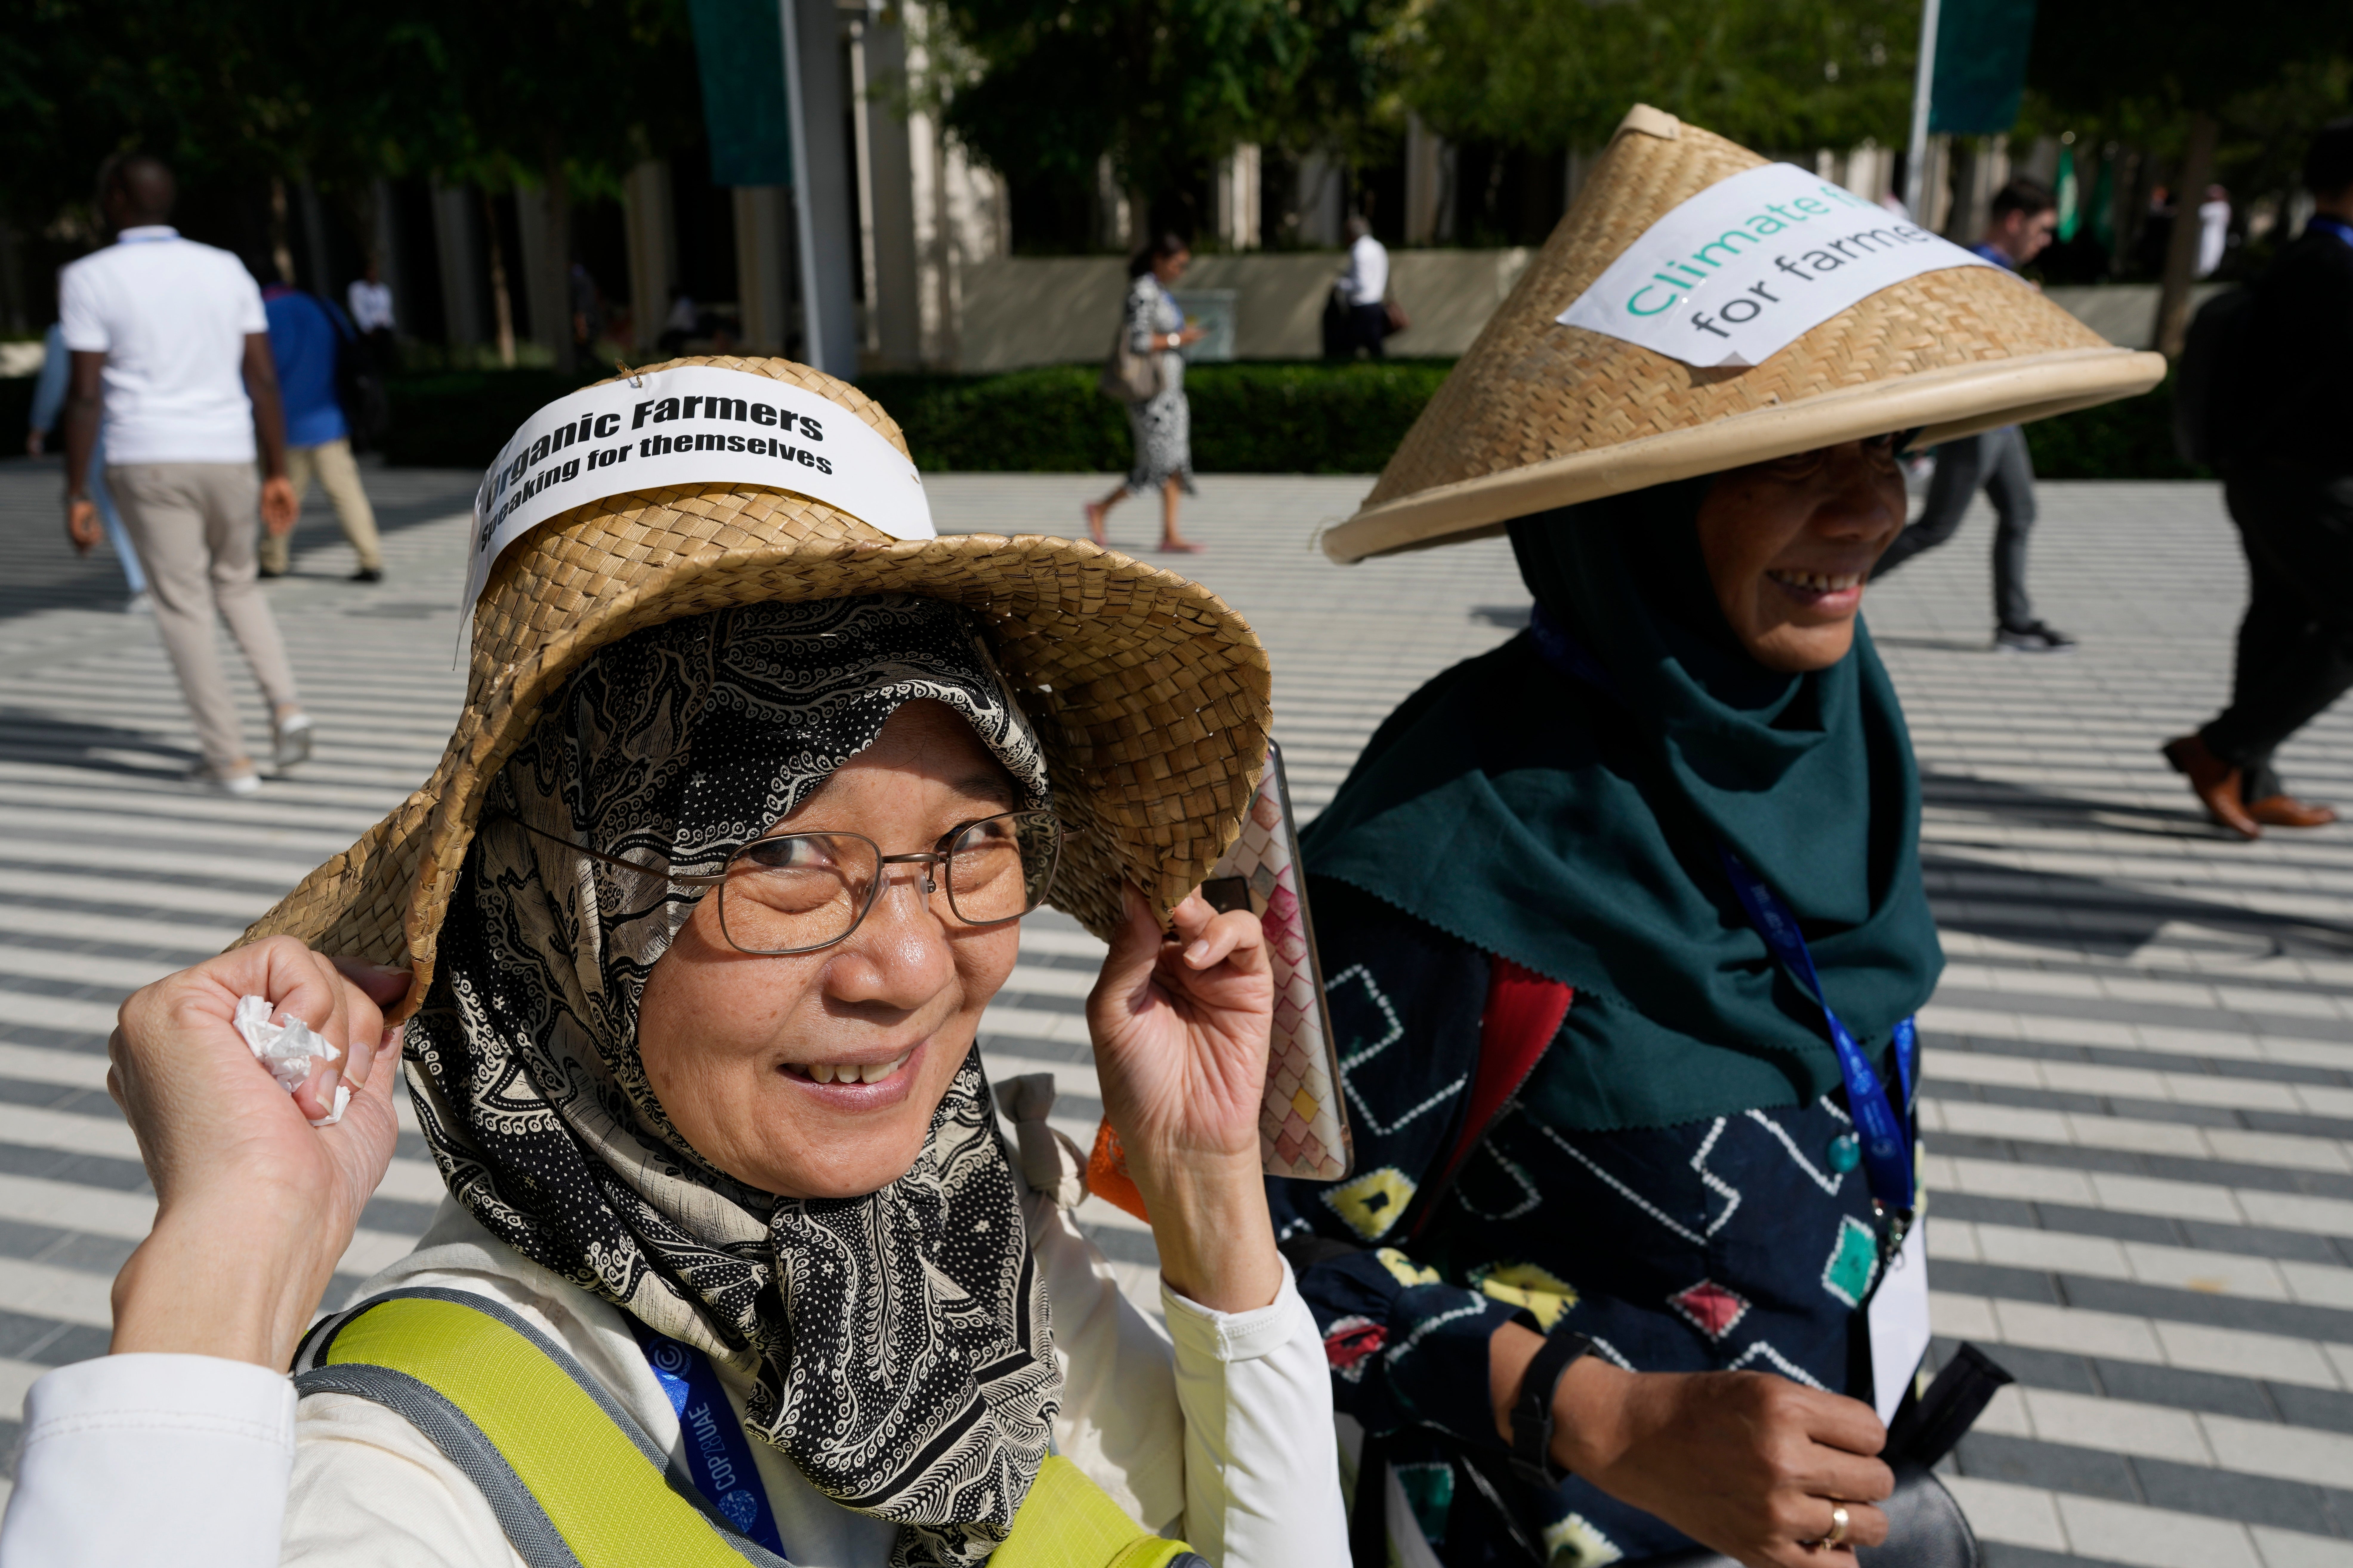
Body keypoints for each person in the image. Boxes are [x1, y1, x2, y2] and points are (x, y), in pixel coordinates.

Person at [0, 355, 1346, 1568]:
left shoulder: (962, 1236)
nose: (907, 962)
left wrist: (1207, 1190)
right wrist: (230, 1253)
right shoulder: (402, 1476)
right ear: (562, 900)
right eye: (777, 854)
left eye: (973, 839)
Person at [1290, 104, 2163, 1568]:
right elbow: (1261, 1263)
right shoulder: (1456, 827)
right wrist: (1603, 1419)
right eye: (1793, 456)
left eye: (1882, 445)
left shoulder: (1833, 739)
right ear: (1625, 503)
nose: (1877, 504)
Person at [57, 154, 313, 797]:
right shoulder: (224, 268)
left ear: (117, 197)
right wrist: (277, 470)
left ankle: (229, 762)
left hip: (148, 457)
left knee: (182, 605)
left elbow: (85, 394)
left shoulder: (89, 276)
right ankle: (287, 708)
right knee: (238, 585)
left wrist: (75, 489)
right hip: (229, 452)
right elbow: (260, 376)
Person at [2161, 120, 2353, 839]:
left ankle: (2249, 775)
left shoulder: (2306, 260)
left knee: (2283, 618)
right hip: (2301, 483)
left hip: (2277, 480)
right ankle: (2218, 752)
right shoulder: (2326, 270)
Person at [1867, 177, 2073, 653]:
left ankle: (2015, 623)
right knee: (1937, 528)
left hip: (2004, 419)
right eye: (2042, 230)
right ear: (2015, 220)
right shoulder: (1977, 268)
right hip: (1980, 418)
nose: (2044, 242)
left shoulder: (2001, 272)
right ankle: (1838, 580)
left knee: (2020, 513)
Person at [259, 278, 387, 583]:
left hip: (285, 425)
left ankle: (273, 559)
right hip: (329, 420)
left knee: (282, 493)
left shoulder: (262, 314)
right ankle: (370, 558)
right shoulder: (323, 307)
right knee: (346, 494)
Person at [1084, 234, 1205, 555]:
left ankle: (1170, 534)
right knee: (1158, 464)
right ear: (1158, 260)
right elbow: (1139, 341)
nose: (1182, 270)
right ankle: (1101, 508)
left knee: (1175, 461)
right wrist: (1181, 339)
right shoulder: (1142, 291)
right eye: (1178, 264)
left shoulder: (1159, 292)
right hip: (1151, 396)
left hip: (1170, 393)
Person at [27, 319, 149, 613]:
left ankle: (144, 583)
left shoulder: (68, 330)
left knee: (117, 510)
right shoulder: (144, 316)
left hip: (104, 431)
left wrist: (40, 426)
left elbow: (59, 381)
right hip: (159, 428)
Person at [1335, 216, 1390, 359]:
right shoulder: (1378, 247)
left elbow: (1361, 283)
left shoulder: (1360, 250)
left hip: (1361, 307)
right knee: (1375, 347)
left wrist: (1340, 284)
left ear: (1352, 234)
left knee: (1349, 347)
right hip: (1376, 304)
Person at [346, 258, 396, 369]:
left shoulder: (383, 290)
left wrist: (387, 324)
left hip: (383, 330)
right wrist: (368, 330)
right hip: (368, 333)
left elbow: (387, 311)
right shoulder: (357, 289)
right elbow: (358, 311)